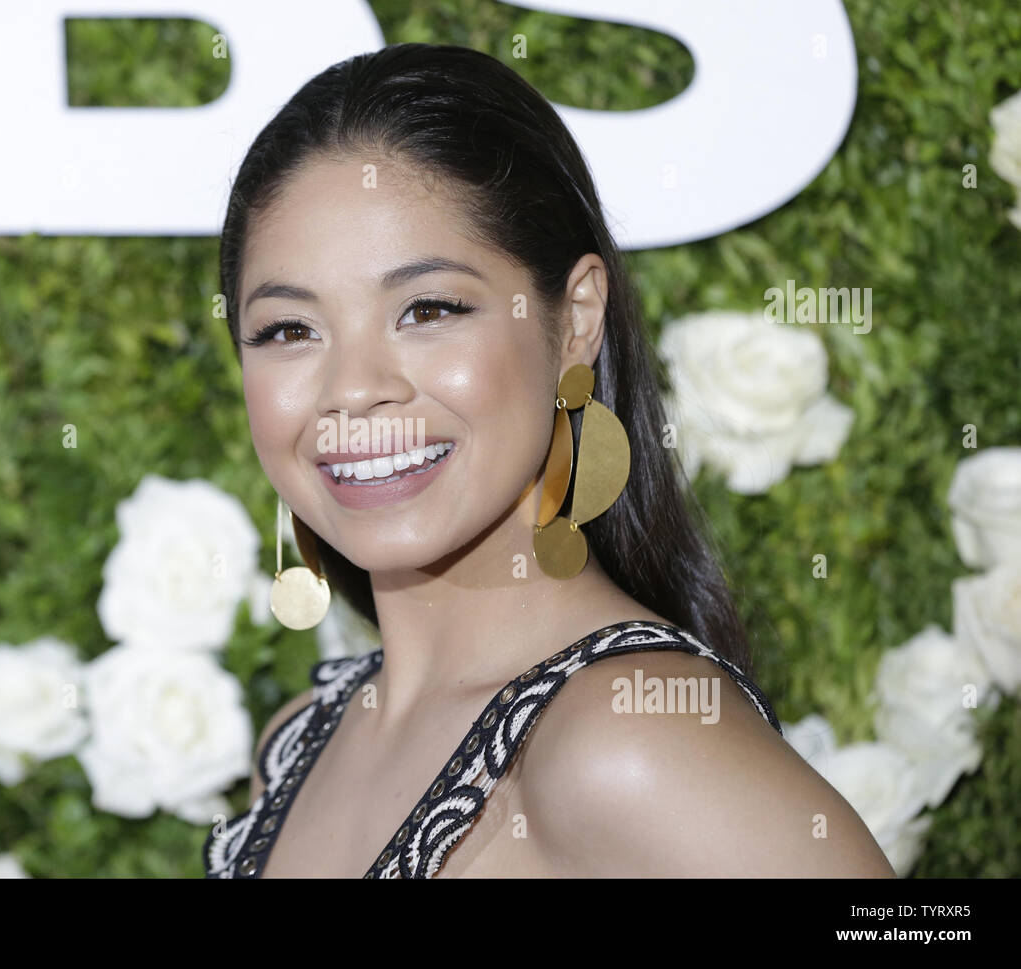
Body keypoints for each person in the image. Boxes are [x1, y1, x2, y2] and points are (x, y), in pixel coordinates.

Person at [202, 42, 895, 878]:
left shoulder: (628, 738)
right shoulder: (298, 739)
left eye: (427, 308)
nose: (353, 391)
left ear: (574, 319)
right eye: (289, 329)